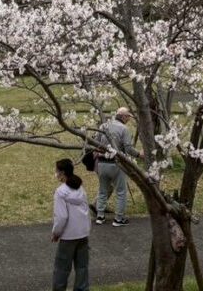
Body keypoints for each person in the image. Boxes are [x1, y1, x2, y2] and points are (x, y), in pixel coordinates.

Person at [94, 107, 139, 227]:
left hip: (101, 163)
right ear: (123, 117)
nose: (129, 119)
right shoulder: (124, 129)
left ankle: (100, 216)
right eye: (128, 117)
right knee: (121, 192)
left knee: (103, 190)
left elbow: (96, 143)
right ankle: (119, 219)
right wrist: (139, 154)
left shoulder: (104, 126)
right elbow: (128, 148)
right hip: (117, 164)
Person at [50, 158, 91, 291]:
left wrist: (56, 233)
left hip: (68, 236)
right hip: (83, 234)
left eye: (57, 171)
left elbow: (62, 217)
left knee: (62, 269)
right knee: (82, 268)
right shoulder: (81, 189)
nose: (55, 173)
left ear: (62, 173)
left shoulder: (60, 192)